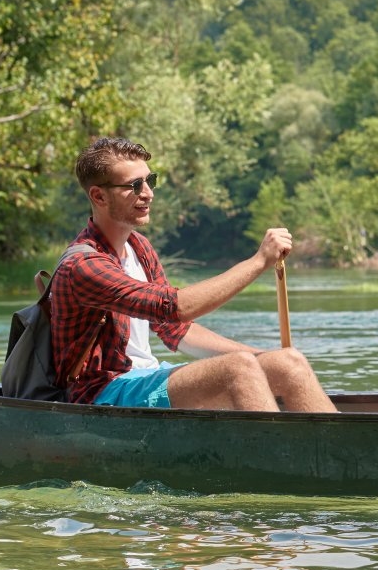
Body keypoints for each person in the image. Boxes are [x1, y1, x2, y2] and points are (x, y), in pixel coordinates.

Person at [47, 136, 337, 412]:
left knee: (289, 362)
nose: (148, 193)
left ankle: (340, 454)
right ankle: (282, 460)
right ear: (98, 195)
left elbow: (175, 331)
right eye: (135, 185)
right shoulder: (84, 266)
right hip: (102, 393)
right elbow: (176, 309)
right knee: (236, 368)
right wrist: (259, 261)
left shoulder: (139, 247)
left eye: (151, 180)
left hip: (145, 378)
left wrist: (262, 356)